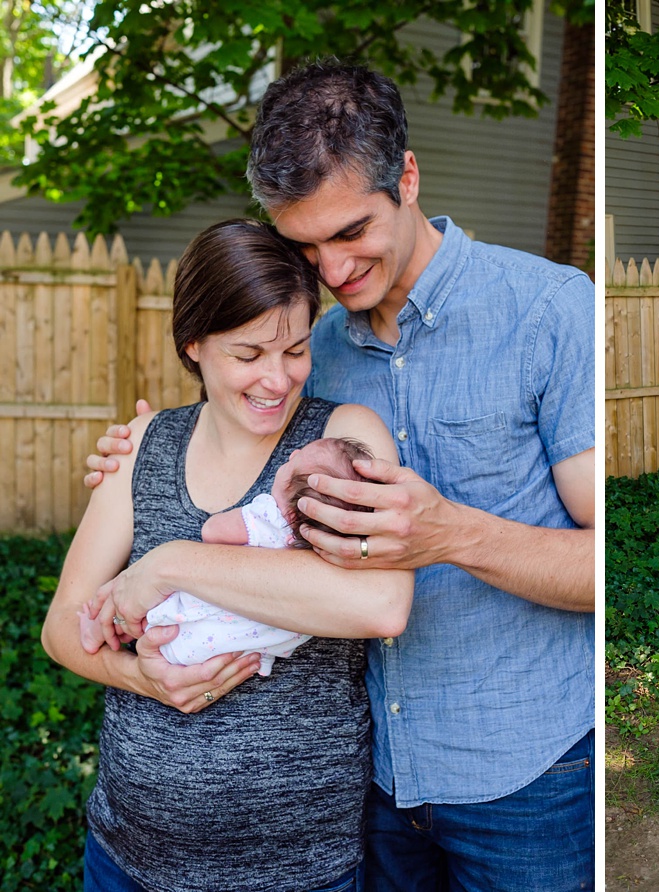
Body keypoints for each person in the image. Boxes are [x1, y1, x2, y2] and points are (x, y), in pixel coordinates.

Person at [83, 61, 595, 891]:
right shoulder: (306, 359)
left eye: (352, 231)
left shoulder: (547, 310)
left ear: (408, 177)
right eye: (303, 246)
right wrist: (134, 453)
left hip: (524, 775)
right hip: (369, 790)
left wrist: (452, 534)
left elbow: (607, 563)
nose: (331, 270)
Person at [42, 219, 410, 891]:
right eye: (249, 355)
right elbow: (62, 625)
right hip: (127, 860)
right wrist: (143, 680)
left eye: (296, 350)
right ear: (195, 345)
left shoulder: (340, 442)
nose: (278, 379)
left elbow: (380, 602)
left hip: (299, 872)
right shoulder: (145, 445)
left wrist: (171, 563)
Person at [78, 436, 375, 675]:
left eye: (293, 461)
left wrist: (243, 516)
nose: (292, 452)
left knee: (161, 601)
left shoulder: (267, 517)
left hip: (178, 639)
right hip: (231, 652)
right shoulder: (329, 549)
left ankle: (101, 629)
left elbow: (213, 531)